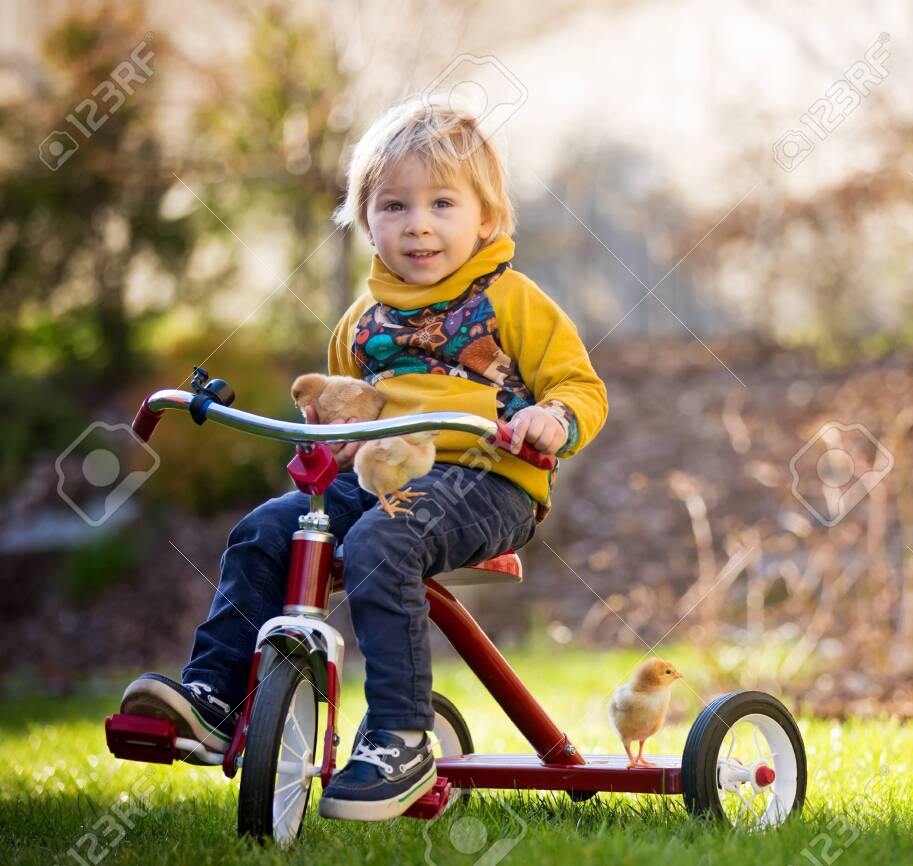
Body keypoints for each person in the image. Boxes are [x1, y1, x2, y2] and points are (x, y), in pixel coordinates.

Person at [119, 94, 608, 821]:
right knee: (267, 528)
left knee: (382, 540)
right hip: (382, 479)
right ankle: (215, 697)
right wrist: (333, 433)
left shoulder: (513, 300)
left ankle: (400, 737)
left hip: (486, 479)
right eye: (394, 205)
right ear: (365, 219)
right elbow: (346, 411)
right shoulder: (360, 322)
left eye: (442, 203)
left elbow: (581, 387)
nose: (418, 224)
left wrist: (550, 419)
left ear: (486, 218)